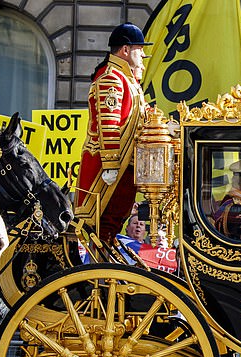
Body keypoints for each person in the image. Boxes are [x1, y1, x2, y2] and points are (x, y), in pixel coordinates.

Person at [75, 22, 152, 243]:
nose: (143, 54)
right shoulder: (112, 78)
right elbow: (108, 124)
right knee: (105, 221)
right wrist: (110, 165)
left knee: (115, 219)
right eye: (140, 49)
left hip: (125, 165)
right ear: (125, 50)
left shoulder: (127, 79)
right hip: (110, 168)